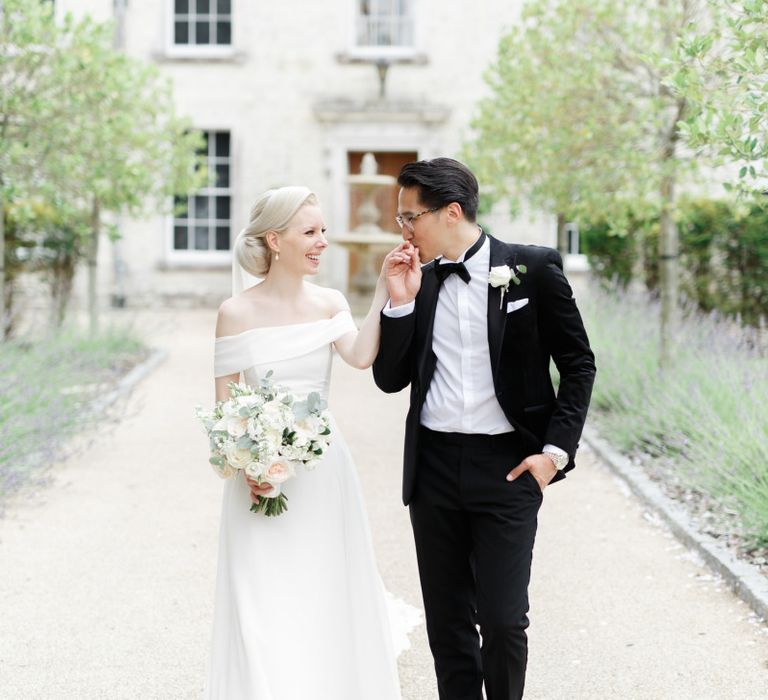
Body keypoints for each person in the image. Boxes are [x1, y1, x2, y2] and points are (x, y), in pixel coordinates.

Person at [373, 158, 596, 700]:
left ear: (451, 212)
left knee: (501, 620)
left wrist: (554, 454)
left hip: (509, 469)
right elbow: (388, 378)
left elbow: (579, 364)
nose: (403, 230)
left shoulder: (532, 269)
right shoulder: (417, 282)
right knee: (448, 627)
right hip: (432, 471)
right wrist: (398, 305)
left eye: (410, 218)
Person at [207, 186, 406, 699]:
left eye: (323, 231)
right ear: (275, 240)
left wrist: (383, 290)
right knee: (260, 593)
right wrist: (250, 463)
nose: (322, 242)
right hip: (259, 477)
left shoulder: (329, 303)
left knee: (321, 586)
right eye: (311, 232)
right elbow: (226, 406)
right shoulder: (234, 313)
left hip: (323, 469)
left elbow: (361, 357)